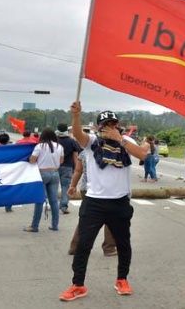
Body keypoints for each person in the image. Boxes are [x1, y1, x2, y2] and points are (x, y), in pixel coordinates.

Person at [59, 102, 148, 302]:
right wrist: (76, 116)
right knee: (84, 244)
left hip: (119, 202)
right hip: (94, 202)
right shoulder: (92, 142)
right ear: (99, 127)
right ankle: (78, 285)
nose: (110, 127)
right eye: (106, 124)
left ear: (117, 125)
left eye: (113, 124)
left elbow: (142, 154)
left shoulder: (125, 140)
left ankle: (122, 280)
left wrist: (120, 139)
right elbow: (78, 135)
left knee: (123, 244)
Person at [67, 129, 117, 257]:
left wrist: (73, 185)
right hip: (105, 190)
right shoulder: (111, 152)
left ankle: (75, 246)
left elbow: (78, 171)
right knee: (112, 219)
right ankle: (109, 248)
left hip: (86, 189)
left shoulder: (84, 152)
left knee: (86, 218)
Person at [23, 128, 63, 232]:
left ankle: (35, 225)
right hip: (55, 173)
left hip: (42, 173)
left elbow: (32, 160)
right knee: (54, 201)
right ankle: (55, 225)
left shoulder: (39, 146)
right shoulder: (59, 146)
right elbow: (61, 160)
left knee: (39, 200)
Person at [56, 123, 82, 214]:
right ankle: (63, 206)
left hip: (55, 167)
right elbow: (76, 154)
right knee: (65, 186)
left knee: (53, 187)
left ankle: (53, 205)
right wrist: (76, 168)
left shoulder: (54, 141)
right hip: (67, 166)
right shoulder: (71, 141)